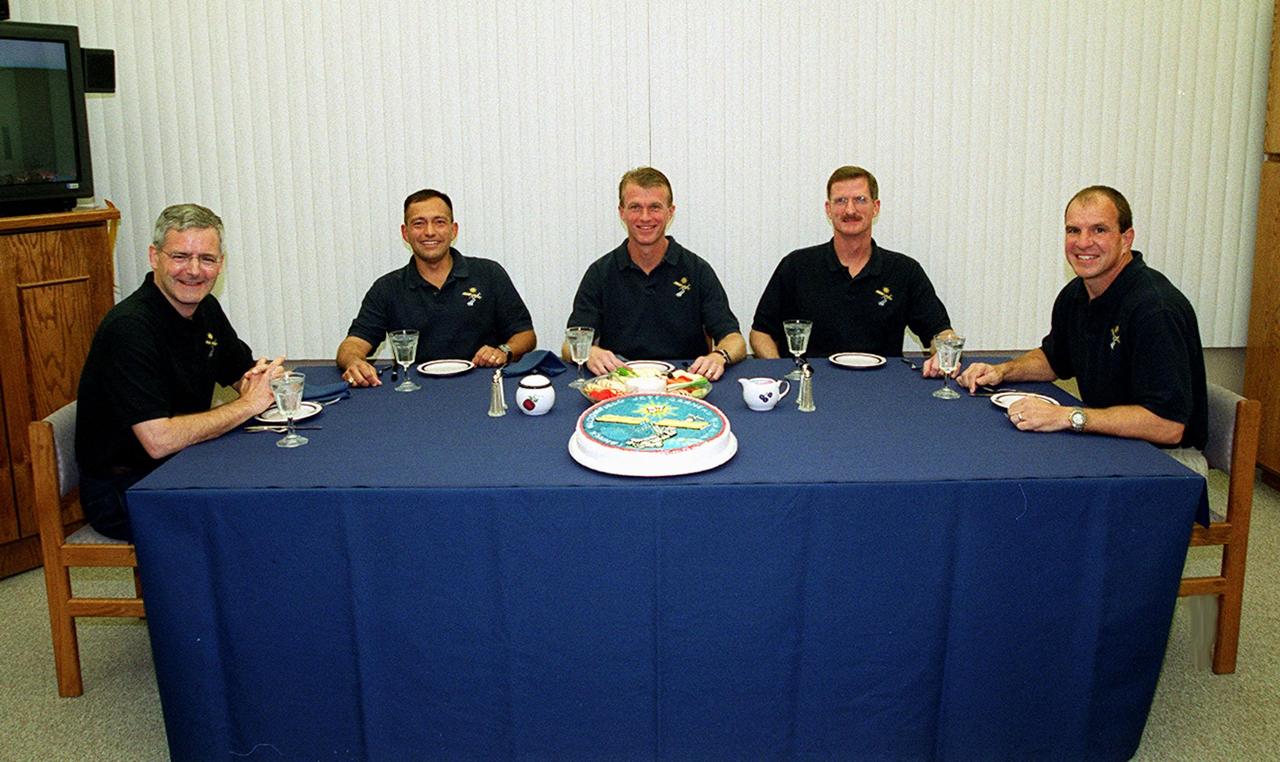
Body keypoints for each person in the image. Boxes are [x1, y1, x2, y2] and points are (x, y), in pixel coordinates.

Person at [76, 204, 284, 541]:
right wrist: (248, 405)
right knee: (258, 515)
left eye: (207, 259)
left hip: (183, 462)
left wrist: (266, 379)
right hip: (126, 488)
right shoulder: (129, 329)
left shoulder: (205, 308)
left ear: (221, 263)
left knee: (277, 481)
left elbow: (244, 375)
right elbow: (159, 440)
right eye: (180, 257)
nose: (194, 270)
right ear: (154, 257)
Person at [957, 186, 1207, 463]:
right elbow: (1054, 359)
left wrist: (1067, 417)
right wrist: (1002, 371)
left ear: (1126, 239)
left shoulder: (1155, 309)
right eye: (1073, 230)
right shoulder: (1076, 294)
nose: (1083, 242)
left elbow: (1168, 425)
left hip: (1163, 459)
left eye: (1099, 230)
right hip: (1105, 438)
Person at [750, 165, 955, 373]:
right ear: (828, 209)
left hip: (883, 386)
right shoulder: (796, 266)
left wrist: (945, 354)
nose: (850, 210)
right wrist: (780, 372)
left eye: (860, 200)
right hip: (811, 383)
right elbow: (760, 334)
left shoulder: (905, 271)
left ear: (876, 207)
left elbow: (941, 333)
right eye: (840, 201)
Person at [337, 189, 536, 386]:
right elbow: (353, 344)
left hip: (484, 386)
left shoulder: (489, 273)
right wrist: (354, 362)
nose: (429, 232)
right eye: (419, 223)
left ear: (453, 230)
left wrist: (503, 351)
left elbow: (526, 335)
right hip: (414, 391)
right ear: (405, 233)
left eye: (439, 222)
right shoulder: (387, 288)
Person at [564, 167, 746, 381]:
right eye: (635, 207)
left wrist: (719, 356)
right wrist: (590, 352)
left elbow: (735, 340)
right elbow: (569, 345)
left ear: (670, 212)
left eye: (655, 207)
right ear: (621, 212)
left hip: (683, 383)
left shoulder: (697, 270)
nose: (645, 217)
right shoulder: (599, 273)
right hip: (619, 383)